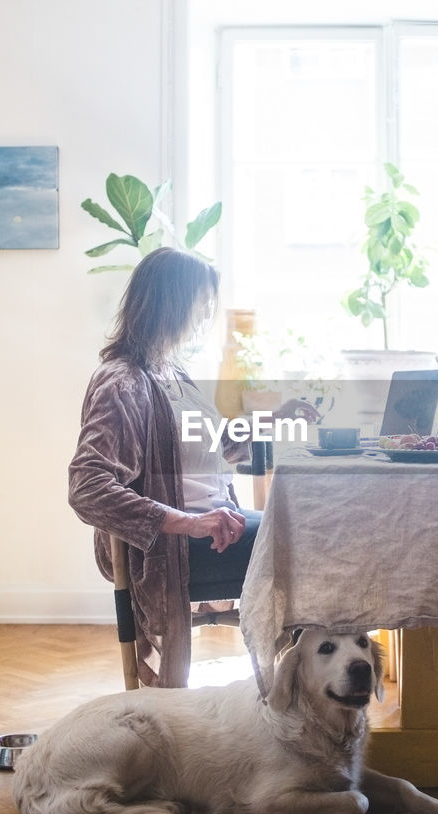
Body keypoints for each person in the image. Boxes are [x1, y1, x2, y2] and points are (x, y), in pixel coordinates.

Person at [68, 246, 318, 687]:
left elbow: (216, 445)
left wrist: (275, 418)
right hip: (170, 550)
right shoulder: (121, 382)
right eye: (201, 302)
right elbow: (87, 487)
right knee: (305, 544)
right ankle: (293, 692)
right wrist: (189, 523)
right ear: (172, 304)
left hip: (209, 529)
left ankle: (289, 688)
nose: (205, 314)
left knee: (309, 531)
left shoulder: (173, 373)